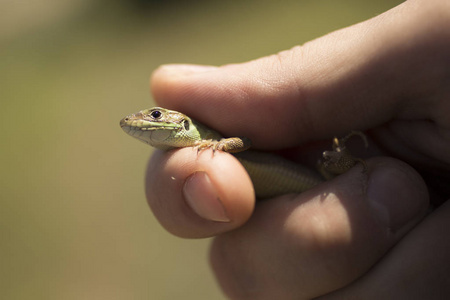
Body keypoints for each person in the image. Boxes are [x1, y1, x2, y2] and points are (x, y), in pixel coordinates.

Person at [145, 0, 450, 298]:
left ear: (182, 124)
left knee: (339, 175)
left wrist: (221, 144)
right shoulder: (200, 150)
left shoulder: (213, 141)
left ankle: (345, 160)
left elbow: (245, 142)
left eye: (155, 115)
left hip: (322, 179)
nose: (146, 121)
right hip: (313, 189)